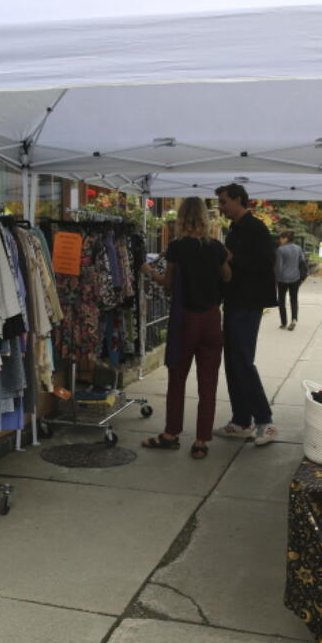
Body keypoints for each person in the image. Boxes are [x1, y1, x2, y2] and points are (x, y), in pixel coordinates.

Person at [139, 197, 230, 459]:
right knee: (208, 384)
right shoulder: (216, 248)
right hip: (213, 319)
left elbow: (168, 283)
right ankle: (201, 441)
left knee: (177, 380)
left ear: (182, 218)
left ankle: (171, 434)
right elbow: (228, 276)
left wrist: (148, 271)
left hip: (186, 319)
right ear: (205, 218)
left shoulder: (177, 247)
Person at [213, 182, 278, 446]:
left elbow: (266, 263)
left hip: (248, 303)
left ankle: (265, 421)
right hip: (234, 300)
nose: (221, 207)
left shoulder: (256, 228)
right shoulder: (235, 228)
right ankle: (241, 420)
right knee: (232, 361)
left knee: (242, 360)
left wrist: (232, 258)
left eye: (224, 202)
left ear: (239, 200)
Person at [274, 230, 304, 331]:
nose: (280, 240)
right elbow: (302, 262)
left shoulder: (280, 250)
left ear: (285, 238)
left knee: (282, 300)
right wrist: (302, 277)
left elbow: (278, 267)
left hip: (282, 279)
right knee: (294, 299)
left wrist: (276, 280)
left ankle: (283, 322)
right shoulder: (298, 248)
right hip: (295, 277)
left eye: (281, 238)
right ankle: (294, 319)